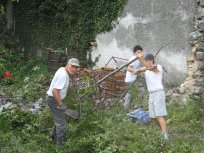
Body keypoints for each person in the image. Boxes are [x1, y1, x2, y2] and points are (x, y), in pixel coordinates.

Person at [46, 58, 80, 145]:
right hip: (53, 99)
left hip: (54, 99)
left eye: (76, 68)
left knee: (59, 119)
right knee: (62, 123)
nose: (74, 69)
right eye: (72, 66)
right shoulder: (63, 75)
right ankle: (60, 145)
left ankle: (51, 138)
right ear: (68, 64)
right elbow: (55, 91)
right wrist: (60, 104)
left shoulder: (62, 69)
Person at [136, 53, 169, 141]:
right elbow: (142, 69)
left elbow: (150, 67)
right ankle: (163, 129)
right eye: (145, 61)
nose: (145, 62)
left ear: (151, 61)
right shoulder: (146, 69)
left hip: (158, 92)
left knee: (159, 115)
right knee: (153, 116)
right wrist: (136, 70)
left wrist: (142, 59)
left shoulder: (158, 67)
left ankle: (165, 137)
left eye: (146, 61)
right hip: (151, 94)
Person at [124, 45, 144, 110]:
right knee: (141, 90)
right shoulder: (133, 59)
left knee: (130, 93)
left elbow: (141, 67)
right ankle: (136, 106)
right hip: (131, 79)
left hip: (134, 79)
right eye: (138, 52)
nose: (139, 53)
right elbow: (128, 68)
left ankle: (126, 108)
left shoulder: (139, 59)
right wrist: (134, 71)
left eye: (140, 52)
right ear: (134, 53)